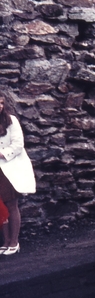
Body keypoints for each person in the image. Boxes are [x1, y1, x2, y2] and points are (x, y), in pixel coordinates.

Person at [0, 92, 36, 256]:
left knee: (11, 205)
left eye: (0, 103)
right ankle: (6, 241)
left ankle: (14, 242)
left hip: (9, 168)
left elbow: (18, 145)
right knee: (1, 208)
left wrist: (2, 154)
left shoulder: (11, 121)